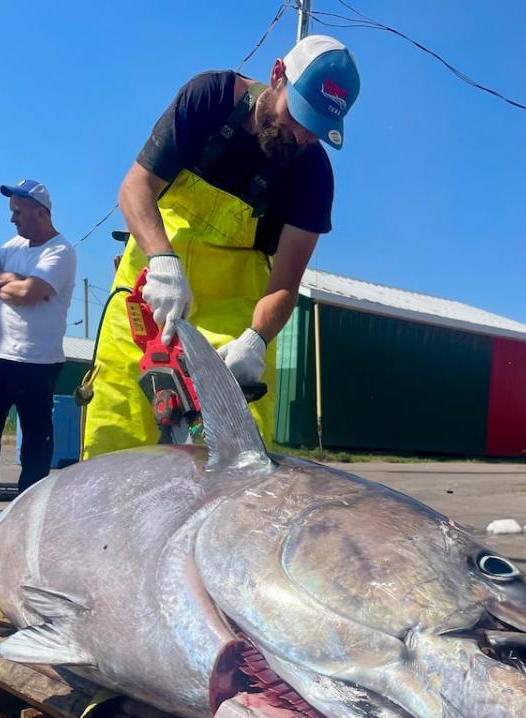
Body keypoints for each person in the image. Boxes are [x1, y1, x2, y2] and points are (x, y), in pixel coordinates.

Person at [81, 34, 360, 458]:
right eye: (298, 116)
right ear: (277, 75)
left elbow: (284, 283)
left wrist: (256, 339)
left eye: (317, 129)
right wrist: (162, 260)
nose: (302, 135)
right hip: (151, 289)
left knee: (238, 458)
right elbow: (135, 189)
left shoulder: (314, 175)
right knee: (118, 428)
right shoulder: (210, 98)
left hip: (236, 309)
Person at [0, 180, 77, 515]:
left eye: (18, 212)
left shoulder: (60, 251)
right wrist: (10, 281)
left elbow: (30, 293)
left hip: (37, 360)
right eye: (11, 212)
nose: (13, 219)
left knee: (36, 436)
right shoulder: (14, 244)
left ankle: (28, 505)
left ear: (41, 213)